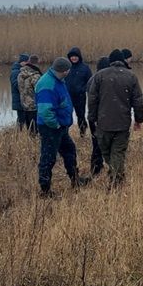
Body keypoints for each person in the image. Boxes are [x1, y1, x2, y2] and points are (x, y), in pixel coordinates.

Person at [86, 49, 143, 187]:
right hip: (122, 121)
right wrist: (139, 119)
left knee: (105, 150)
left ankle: (116, 178)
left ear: (110, 61)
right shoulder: (131, 76)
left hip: (103, 121)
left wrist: (92, 117)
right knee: (117, 151)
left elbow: (92, 99)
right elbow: (138, 100)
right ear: (123, 61)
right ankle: (117, 174)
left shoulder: (99, 76)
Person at [34, 56, 91, 198]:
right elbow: (45, 111)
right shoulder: (47, 84)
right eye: (67, 70)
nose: (68, 73)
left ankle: (75, 179)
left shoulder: (58, 80)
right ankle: (45, 190)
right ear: (62, 71)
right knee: (48, 157)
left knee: (69, 150)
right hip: (51, 128)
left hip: (60, 127)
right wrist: (56, 125)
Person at [88, 56, 110, 176]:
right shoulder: (101, 80)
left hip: (92, 116)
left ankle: (97, 166)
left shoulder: (92, 78)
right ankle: (96, 168)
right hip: (99, 116)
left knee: (96, 142)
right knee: (99, 143)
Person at [65, 48, 93, 135]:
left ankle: (82, 133)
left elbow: (90, 82)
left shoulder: (85, 68)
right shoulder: (66, 67)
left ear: (79, 57)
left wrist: (82, 89)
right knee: (66, 115)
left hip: (80, 96)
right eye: (72, 56)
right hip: (67, 96)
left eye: (75, 56)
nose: (73, 58)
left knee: (80, 115)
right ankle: (65, 134)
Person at [16, 55, 42, 133]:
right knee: (35, 129)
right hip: (34, 105)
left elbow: (20, 88)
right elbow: (39, 90)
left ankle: (30, 142)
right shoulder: (35, 76)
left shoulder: (20, 74)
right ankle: (35, 143)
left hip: (24, 104)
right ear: (37, 63)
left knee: (29, 128)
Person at [10, 52, 29, 130]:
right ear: (22, 62)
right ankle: (19, 134)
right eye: (27, 62)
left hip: (24, 99)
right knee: (21, 119)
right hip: (19, 100)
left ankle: (21, 133)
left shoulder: (22, 70)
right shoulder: (15, 72)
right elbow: (16, 85)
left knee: (24, 118)